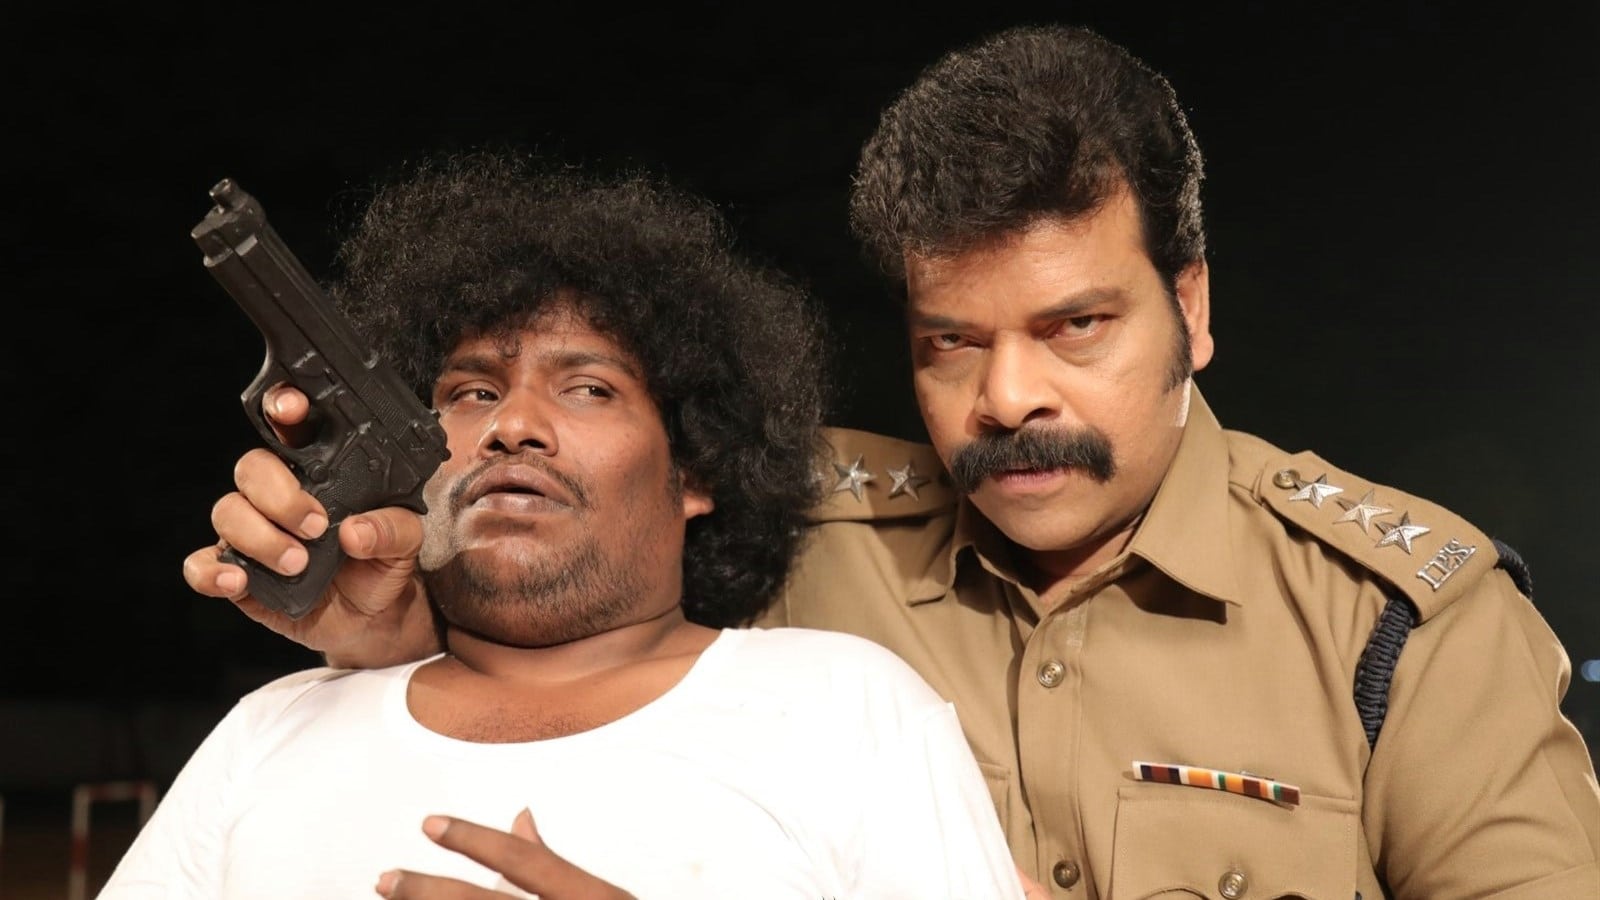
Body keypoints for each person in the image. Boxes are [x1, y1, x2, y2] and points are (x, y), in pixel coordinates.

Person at [189, 25, 1600, 899]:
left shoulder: (1400, 625)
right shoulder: (791, 531)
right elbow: (559, 624)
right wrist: (394, 624)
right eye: (950, 343)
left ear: (1193, 307)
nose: (1009, 397)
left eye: (1076, 326)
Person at [106, 152, 1027, 899]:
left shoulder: (847, 709)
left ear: (695, 469)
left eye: (588, 388)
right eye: (472, 392)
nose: (512, 424)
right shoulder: (271, 730)